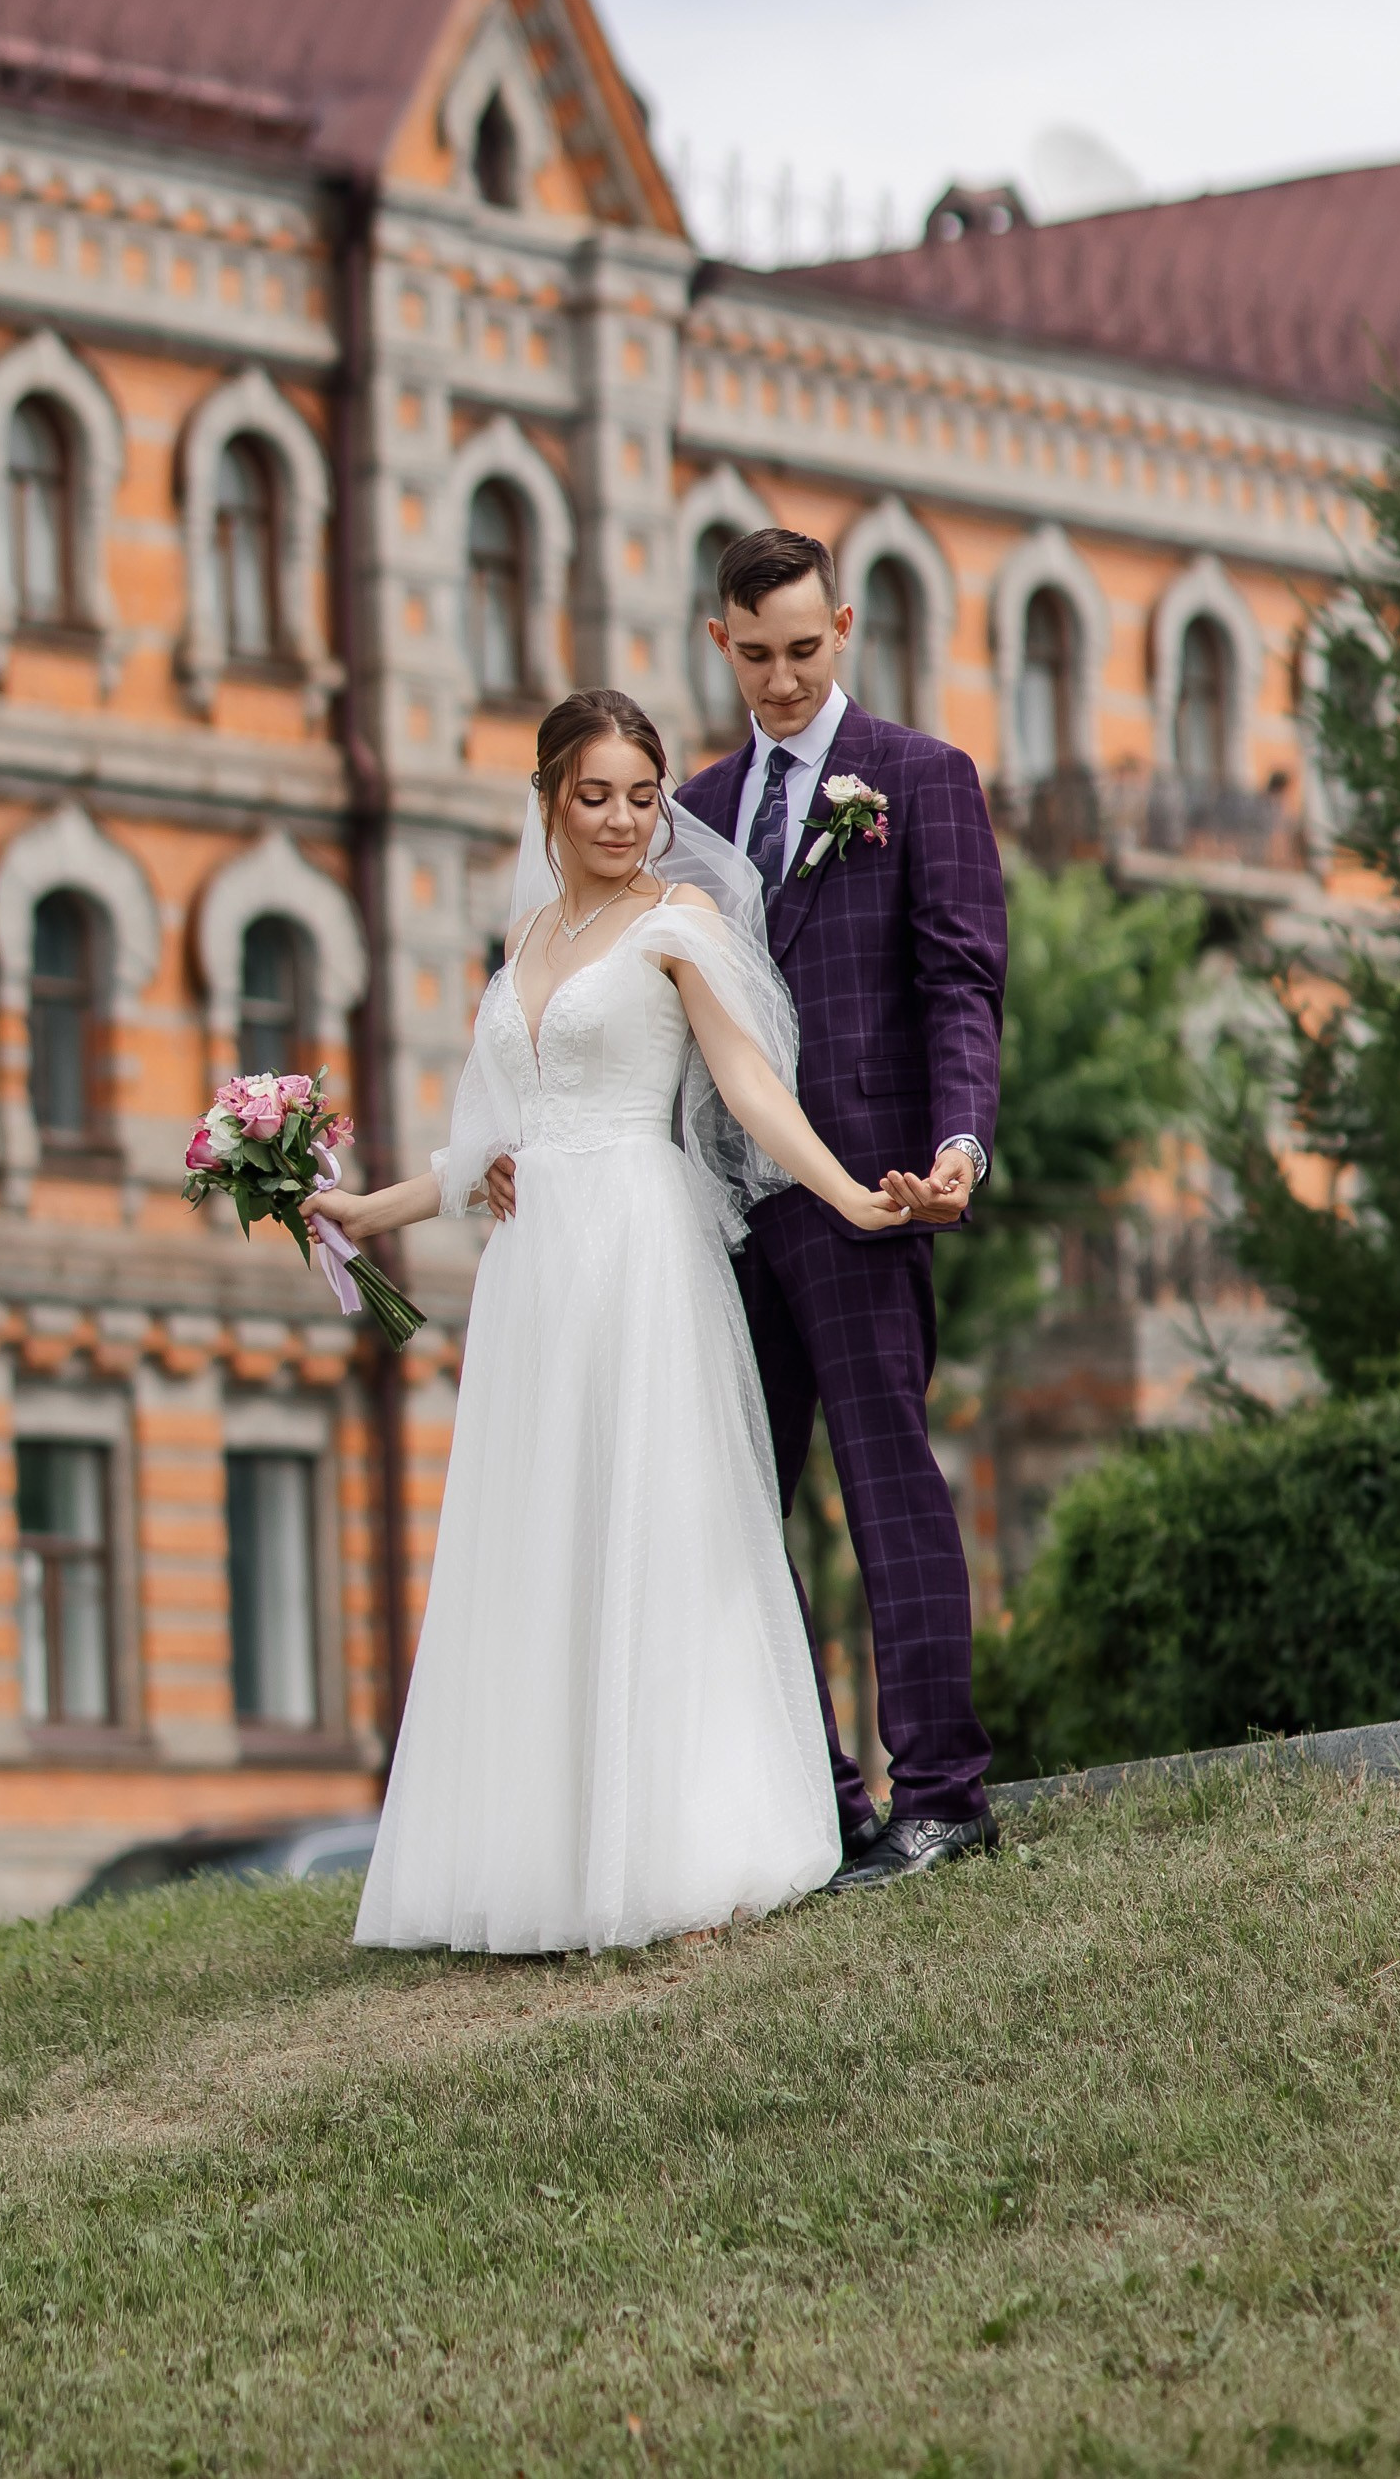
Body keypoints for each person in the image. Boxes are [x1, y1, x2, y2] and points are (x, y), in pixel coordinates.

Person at [302, 687, 911, 1956]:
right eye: (596, 797)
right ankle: (536, 1854)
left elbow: (744, 1079)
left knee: (654, 1527)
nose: (626, 820)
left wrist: (849, 1192)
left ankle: (683, 1839)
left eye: (644, 795)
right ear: (546, 802)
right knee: (540, 1539)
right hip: (532, 1275)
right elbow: (488, 1144)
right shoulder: (519, 939)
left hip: (638, 1246)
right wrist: (370, 1208)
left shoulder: (678, 920)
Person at [667, 525, 1008, 1889]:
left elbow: (959, 986)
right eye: (756, 655)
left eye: (805, 649)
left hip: (868, 1194)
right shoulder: (685, 814)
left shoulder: (923, 780)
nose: (784, 678)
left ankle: (942, 1796)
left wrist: (959, 1149)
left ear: (845, 627)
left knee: (885, 1489)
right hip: (722, 1215)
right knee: (736, 1506)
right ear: (720, 645)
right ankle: (819, 1798)